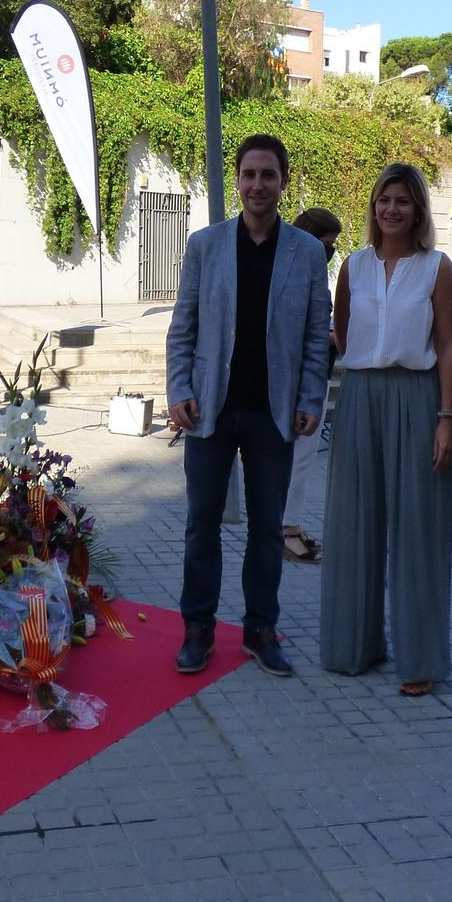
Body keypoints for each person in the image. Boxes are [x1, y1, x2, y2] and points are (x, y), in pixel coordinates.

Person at [166, 134, 331, 678]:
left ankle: (261, 630)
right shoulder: (205, 245)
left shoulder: (306, 252)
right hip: (210, 409)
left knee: (266, 529)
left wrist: (310, 397)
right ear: (237, 179)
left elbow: (315, 335)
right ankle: (198, 630)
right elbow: (182, 326)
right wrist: (178, 389)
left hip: (273, 413)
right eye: (249, 174)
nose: (258, 184)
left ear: (283, 181)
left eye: (268, 175)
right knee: (201, 524)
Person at [318, 164, 452, 696]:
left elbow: (448, 346)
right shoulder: (353, 266)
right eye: (384, 200)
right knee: (353, 524)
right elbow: (341, 330)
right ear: (373, 207)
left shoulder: (436, 268)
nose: (391, 210)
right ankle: (354, 647)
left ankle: (419, 660)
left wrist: (447, 418)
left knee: (417, 529)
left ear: (418, 209)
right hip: (360, 398)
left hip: (418, 398)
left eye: (403, 201)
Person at [280, 207, 342, 564]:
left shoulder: (307, 269)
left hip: (310, 379)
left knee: (299, 461)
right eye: (326, 245)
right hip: (300, 384)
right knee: (297, 460)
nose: (329, 253)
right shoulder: (296, 271)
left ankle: (291, 523)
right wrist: (332, 337)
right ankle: (286, 529)